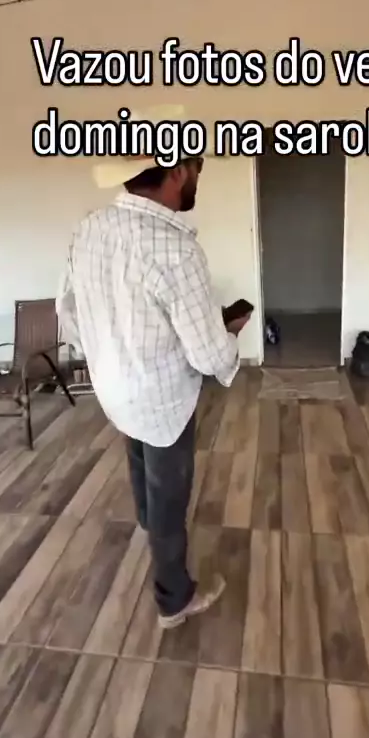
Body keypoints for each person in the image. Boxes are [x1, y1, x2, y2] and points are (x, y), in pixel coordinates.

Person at [56, 151, 252, 629]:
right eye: (198, 168)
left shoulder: (90, 228)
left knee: (139, 459)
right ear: (178, 171)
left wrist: (105, 354)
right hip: (163, 402)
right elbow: (208, 356)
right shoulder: (175, 250)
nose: (199, 178)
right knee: (169, 496)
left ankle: (149, 523)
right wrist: (229, 335)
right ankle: (174, 600)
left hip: (113, 389)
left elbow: (68, 309)